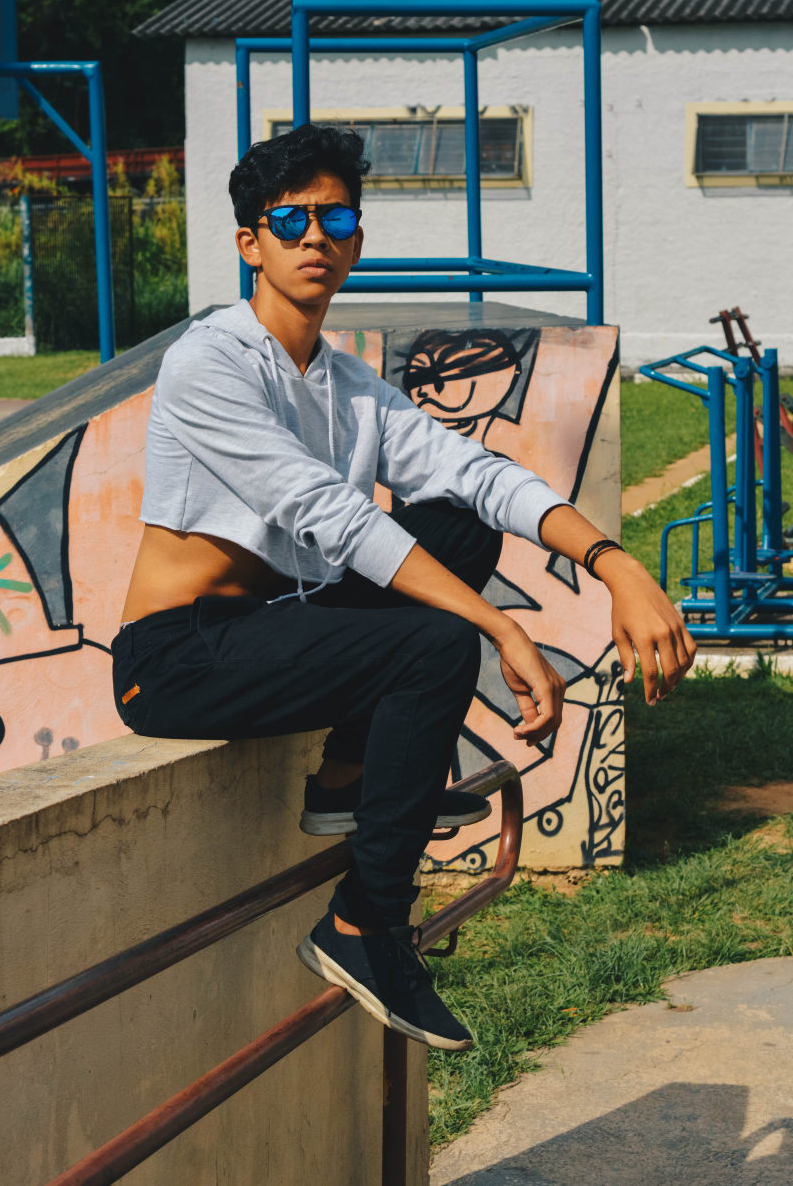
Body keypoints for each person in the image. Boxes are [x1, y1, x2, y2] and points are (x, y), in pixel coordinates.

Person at [112, 124, 696, 1053]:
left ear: (357, 239)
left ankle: (348, 777)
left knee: (457, 515)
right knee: (433, 638)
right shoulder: (210, 361)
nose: (316, 235)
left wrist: (614, 562)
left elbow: (479, 474)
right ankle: (364, 925)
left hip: (274, 627)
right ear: (249, 243)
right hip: (178, 656)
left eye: (335, 215)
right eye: (290, 218)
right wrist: (499, 631)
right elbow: (325, 515)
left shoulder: (346, 382)